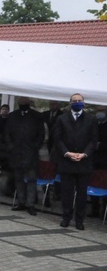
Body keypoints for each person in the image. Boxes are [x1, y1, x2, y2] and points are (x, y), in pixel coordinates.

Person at [51, 93, 98, 230]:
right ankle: (66, 217)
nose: (77, 102)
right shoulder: (62, 118)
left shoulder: (91, 119)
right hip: (67, 161)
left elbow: (93, 140)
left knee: (82, 194)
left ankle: (79, 220)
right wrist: (67, 153)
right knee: (66, 193)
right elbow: (57, 139)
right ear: (70, 102)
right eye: (74, 101)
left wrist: (84, 154)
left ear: (84, 102)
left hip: (84, 162)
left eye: (80, 100)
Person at [5, 97, 45, 216]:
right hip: (16, 152)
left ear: (29, 103)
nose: (22, 104)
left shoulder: (36, 116)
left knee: (31, 179)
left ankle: (30, 204)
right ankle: (21, 201)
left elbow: (41, 134)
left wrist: (35, 146)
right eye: (20, 102)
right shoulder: (12, 116)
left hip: (30, 153)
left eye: (25, 102)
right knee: (18, 178)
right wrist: (11, 146)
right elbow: (7, 133)